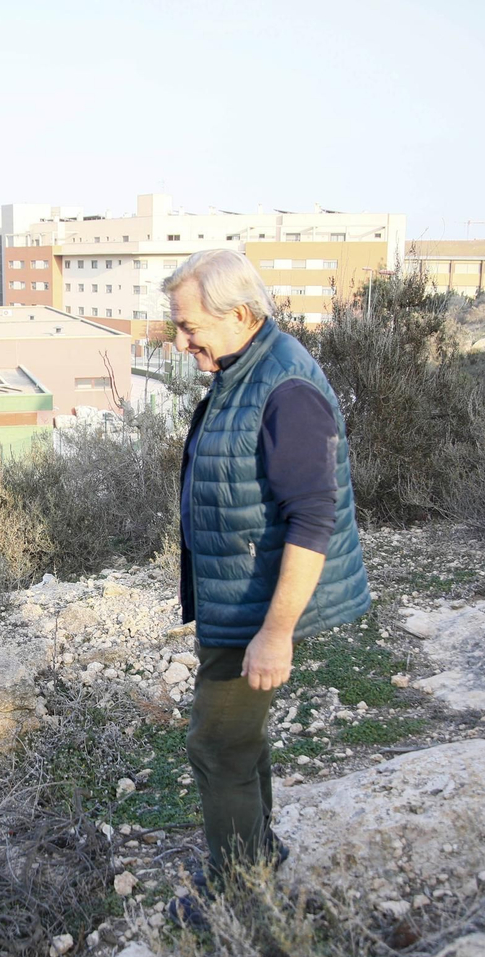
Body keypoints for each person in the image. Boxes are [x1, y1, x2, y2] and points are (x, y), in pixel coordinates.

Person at [167, 249, 370, 912]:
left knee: (218, 745)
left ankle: (239, 894)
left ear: (240, 314)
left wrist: (276, 633)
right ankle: (256, 855)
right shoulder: (244, 368)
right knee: (240, 739)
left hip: (257, 606)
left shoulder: (286, 388)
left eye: (189, 326)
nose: (181, 342)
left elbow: (313, 519)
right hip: (235, 596)